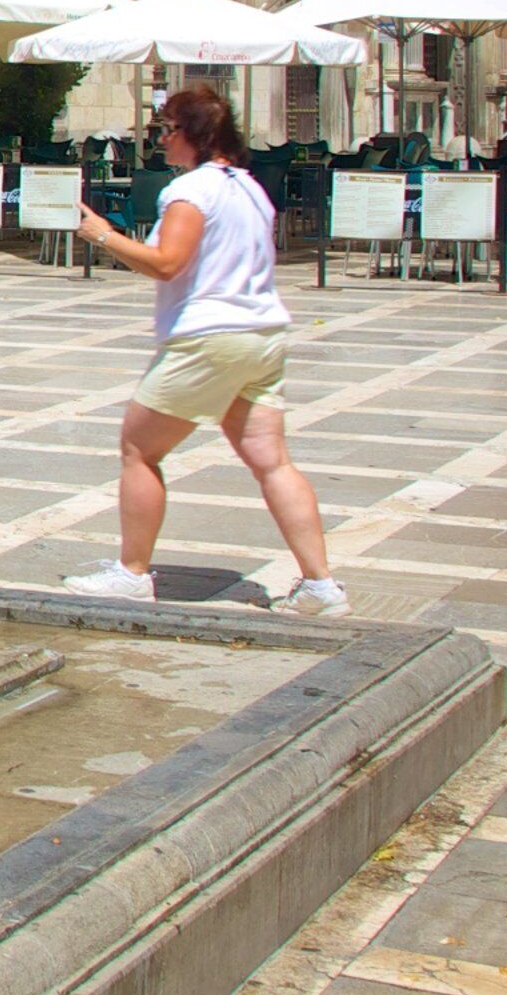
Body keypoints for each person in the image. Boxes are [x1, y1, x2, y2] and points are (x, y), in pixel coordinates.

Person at [55, 85, 346, 616]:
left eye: (166, 130)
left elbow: (168, 262)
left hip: (208, 337)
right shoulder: (252, 188)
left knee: (140, 451)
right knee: (273, 462)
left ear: (192, 134)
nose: (160, 141)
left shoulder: (191, 191)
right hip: (262, 334)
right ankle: (320, 585)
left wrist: (102, 236)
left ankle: (132, 573)